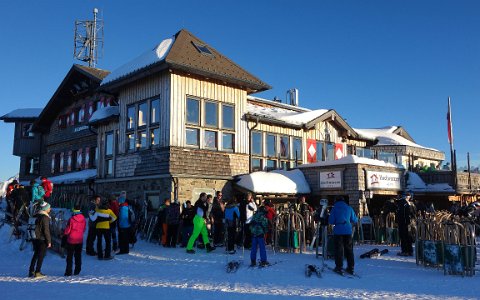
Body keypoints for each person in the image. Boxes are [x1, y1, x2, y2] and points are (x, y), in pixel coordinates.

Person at [328, 196, 358, 275]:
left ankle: (339, 267)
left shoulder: (334, 208)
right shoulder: (349, 208)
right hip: (348, 230)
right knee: (349, 250)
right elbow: (355, 219)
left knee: (339, 250)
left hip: (338, 231)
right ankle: (351, 267)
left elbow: (331, 221)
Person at [28, 201, 51, 278]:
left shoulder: (37, 215)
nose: (50, 209)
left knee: (36, 255)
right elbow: (46, 230)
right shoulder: (45, 217)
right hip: (41, 239)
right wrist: (49, 241)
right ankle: (38, 272)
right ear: (45, 209)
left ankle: (31, 270)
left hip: (35, 238)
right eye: (49, 208)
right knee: (41, 256)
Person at [63, 203, 86, 276]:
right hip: (79, 240)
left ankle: (68, 271)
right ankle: (77, 270)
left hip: (71, 240)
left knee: (69, 256)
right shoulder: (83, 219)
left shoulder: (71, 219)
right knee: (78, 255)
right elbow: (84, 229)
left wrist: (64, 233)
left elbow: (67, 231)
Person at [396, 192, 416, 256]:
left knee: (404, 237)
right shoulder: (408, 203)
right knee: (408, 237)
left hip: (404, 223)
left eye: (398, 195)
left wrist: (401, 222)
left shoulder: (402, 203)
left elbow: (402, 214)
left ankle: (405, 251)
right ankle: (410, 251)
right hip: (408, 223)